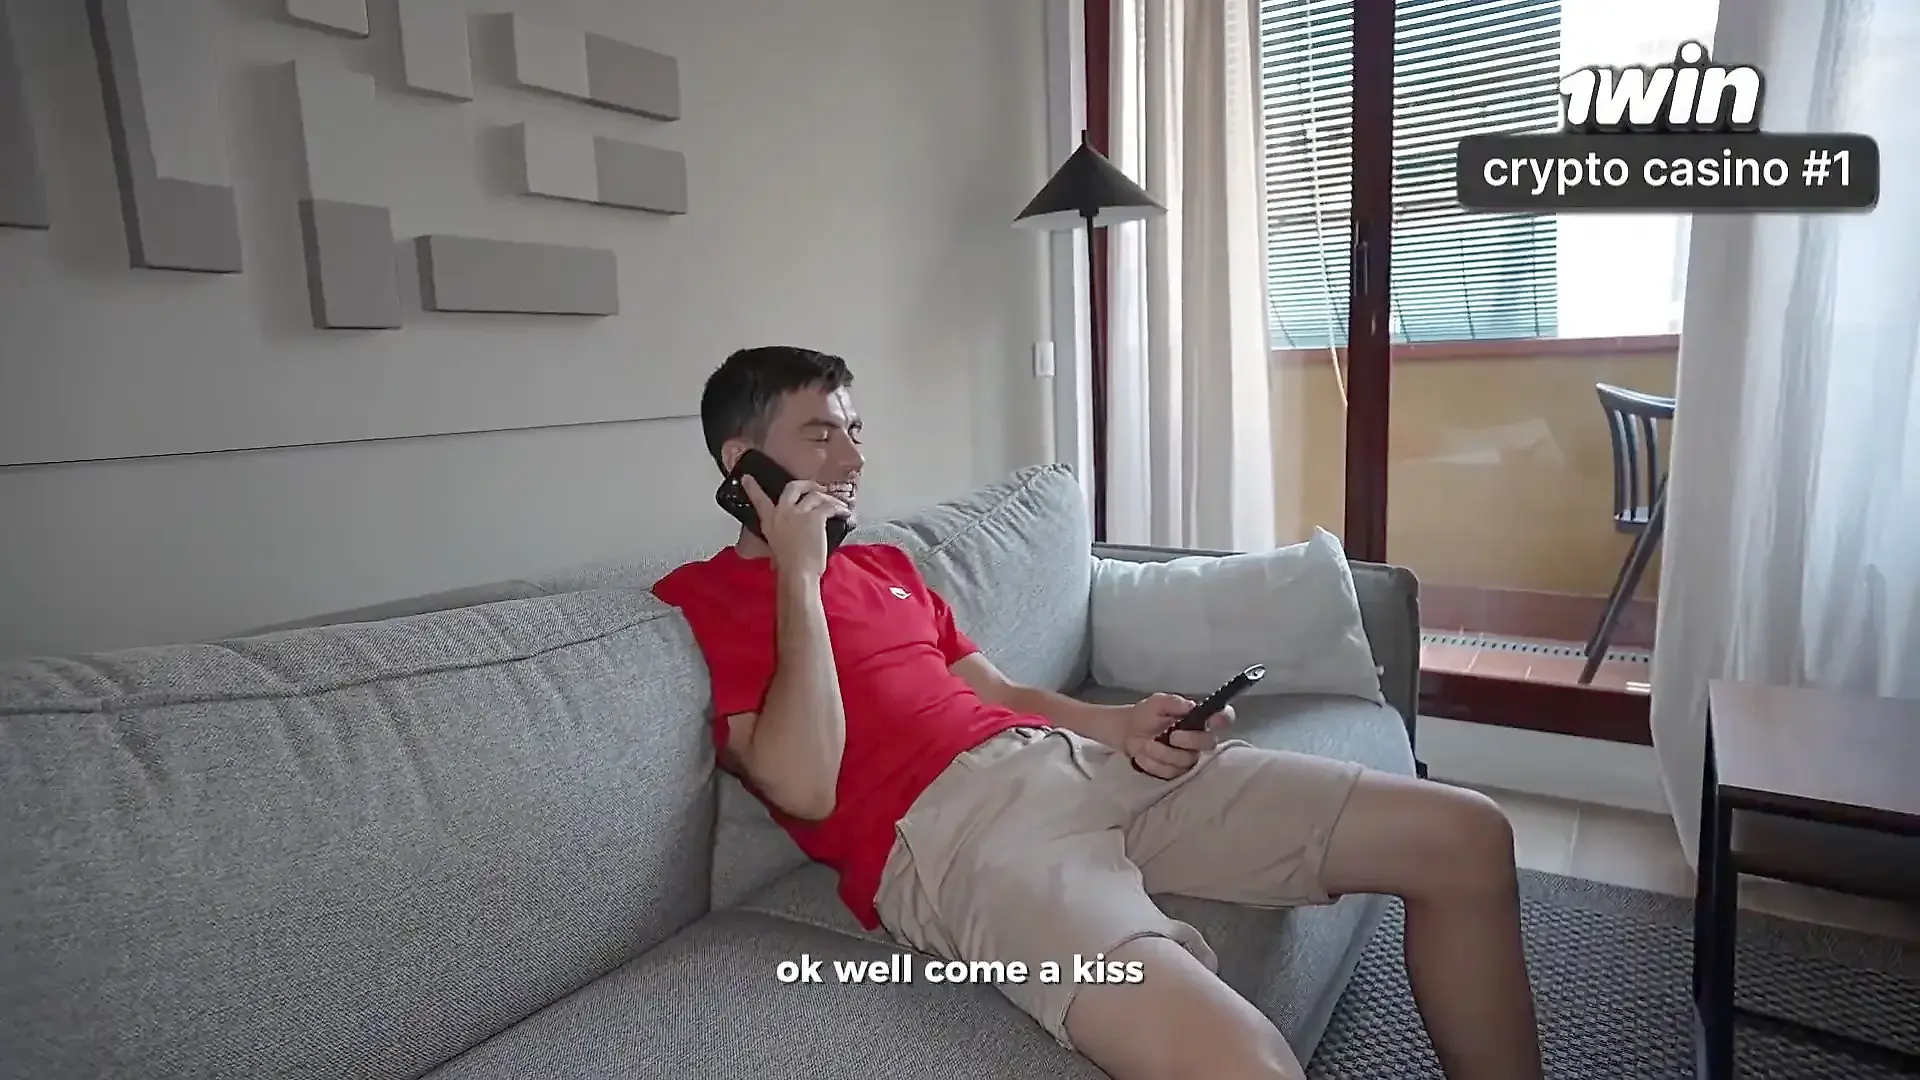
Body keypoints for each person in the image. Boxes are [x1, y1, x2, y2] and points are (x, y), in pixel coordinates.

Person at [653, 345, 1547, 1080]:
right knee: (1244, 1067)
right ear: (743, 464)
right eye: (820, 436)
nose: (853, 462)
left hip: (1066, 762)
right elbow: (805, 786)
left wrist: (1120, 727)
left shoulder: (888, 567)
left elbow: (1002, 695)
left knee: (1464, 835)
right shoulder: (703, 601)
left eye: (855, 432)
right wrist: (798, 575)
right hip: (964, 839)